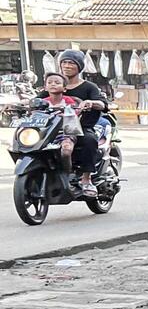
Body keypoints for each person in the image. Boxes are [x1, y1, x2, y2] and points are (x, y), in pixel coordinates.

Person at [56, 51, 110, 199]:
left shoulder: (89, 87)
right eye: (64, 63)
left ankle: (86, 179)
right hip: (55, 128)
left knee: (88, 140)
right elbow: (39, 99)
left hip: (80, 127)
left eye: (71, 63)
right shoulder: (56, 84)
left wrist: (91, 103)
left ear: (79, 67)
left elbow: (102, 103)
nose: (67, 66)